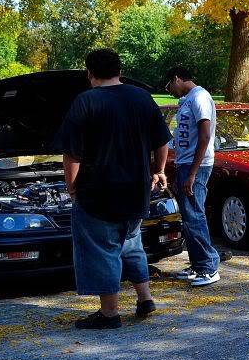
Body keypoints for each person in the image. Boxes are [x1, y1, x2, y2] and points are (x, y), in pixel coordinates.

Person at [58, 49, 172, 329]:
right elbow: (162, 141)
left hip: (99, 193)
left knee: (102, 249)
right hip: (137, 191)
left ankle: (109, 314)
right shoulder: (142, 98)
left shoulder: (86, 101)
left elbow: (72, 153)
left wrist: (72, 188)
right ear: (119, 70)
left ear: (89, 73)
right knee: (131, 244)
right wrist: (159, 170)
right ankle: (145, 298)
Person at [163, 66, 223, 286]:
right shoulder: (187, 100)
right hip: (184, 164)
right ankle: (198, 264)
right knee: (188, 217)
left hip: (196, 166)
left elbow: (205, 135)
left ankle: (209, 267)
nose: (169, 90)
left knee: (195, 215)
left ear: (177, 78)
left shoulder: (200, 97)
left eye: (169, 85)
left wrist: (193, 173)